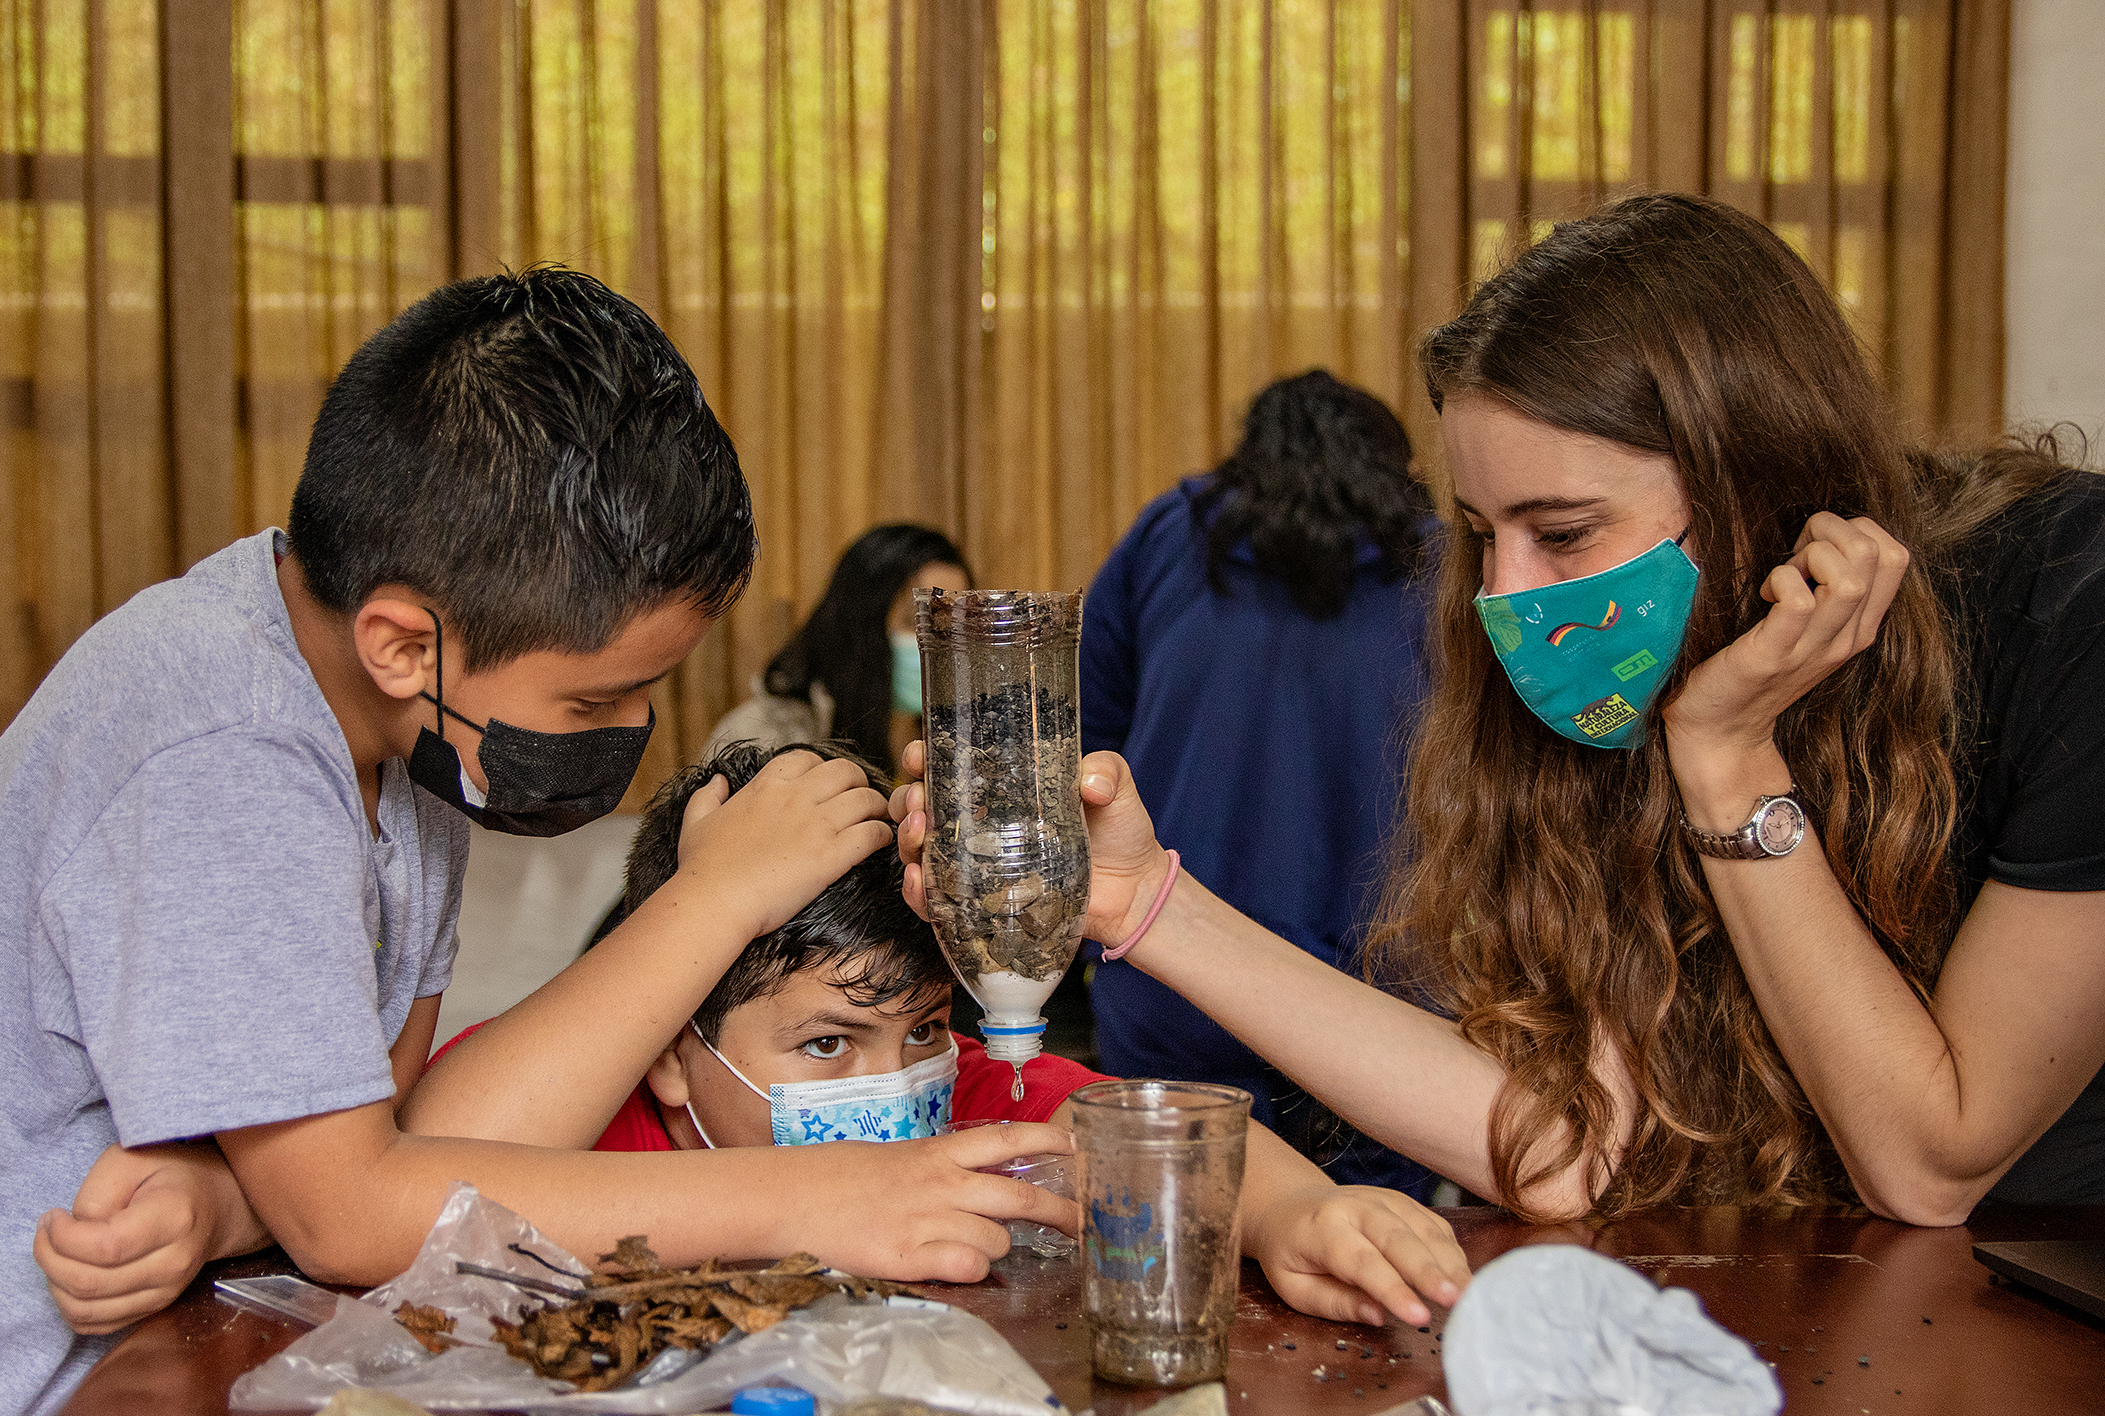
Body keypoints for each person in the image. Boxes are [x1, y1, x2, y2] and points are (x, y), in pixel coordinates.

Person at [0, 267, 1066, 1416]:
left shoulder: (397, 727)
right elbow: (356, 1215)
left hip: (55, 1414)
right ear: (401, 641)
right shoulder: (222, 744)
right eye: (597, 699)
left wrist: (216, 1200)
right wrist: (816, 1190)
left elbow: (390, 1121)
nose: (626, 732)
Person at [895, 192, 2105, 1225]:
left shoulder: (2066, 604)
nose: (1502, 596)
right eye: (1480, 534)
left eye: (1563, 533)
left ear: (1759, 484)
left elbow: (1934, 1165)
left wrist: (1728, 759)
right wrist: (1148, 903)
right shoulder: (1602, 679)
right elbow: (1565, 1146)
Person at [418, 741, 1469, 1325]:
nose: (898, 1081)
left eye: (922, 1028)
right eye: (826, 1045)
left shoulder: (975, 1095)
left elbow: (1151, 1143)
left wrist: (1299, 1220)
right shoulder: (593, 1114)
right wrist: (719, 898)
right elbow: (427, 1170)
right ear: (669, 1055)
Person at [1081, 370, 1435, 1198]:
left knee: (1181, 1252)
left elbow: (1086, 740)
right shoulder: (1440, 560)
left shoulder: (1169, 532)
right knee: (1380, 1274)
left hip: (1167, 976)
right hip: (1382, 1008)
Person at [707, 523, 973, 777]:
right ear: (858, 625)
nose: (942, 643)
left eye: (954, 625)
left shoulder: (963, 735)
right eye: (916, 622)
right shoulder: (765, 737)